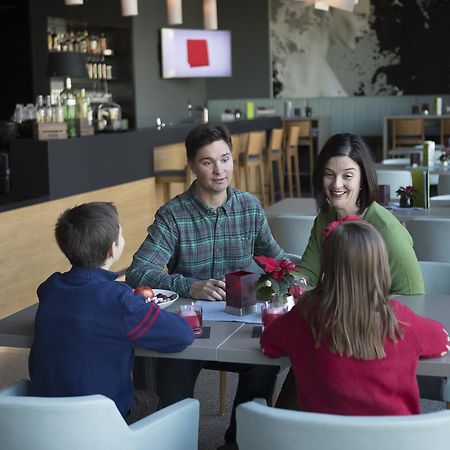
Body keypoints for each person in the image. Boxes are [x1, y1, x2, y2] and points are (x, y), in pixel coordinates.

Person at [126, 123, 285, 448]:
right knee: (170, 383)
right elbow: (138, 271)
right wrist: (190, 286)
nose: (219, 170)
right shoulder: (173, 215)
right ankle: (175, 441)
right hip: (188, 329)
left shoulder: (249, 207)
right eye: (207, 162)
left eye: (225, 159)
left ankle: (236, 442)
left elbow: (279, 263)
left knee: (266, 364)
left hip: (241, 326)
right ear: (192, 166)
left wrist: (284, 283)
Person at [29, 202, 194, 424]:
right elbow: (181, 336)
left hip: (44, 417)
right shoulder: (121, 301)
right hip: (101, 421)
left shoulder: (51, 288)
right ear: (113, 249)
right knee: (151, 400)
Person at [262, 220, 449, 415]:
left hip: (321, 441)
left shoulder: (304, 316)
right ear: (381, 268)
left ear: (327, 266)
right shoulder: (399, 320)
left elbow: (268, 343)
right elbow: (442, 341)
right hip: (395, 441)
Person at [300, 132, 424, 295]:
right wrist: (285, 285)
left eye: (347, 176)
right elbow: (308, 273)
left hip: (378, 318)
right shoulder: (325, 218)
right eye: (329, 174)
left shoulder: (387, 231)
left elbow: (414, 295)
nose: (337, 184)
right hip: (337, 316)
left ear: (362, 179)